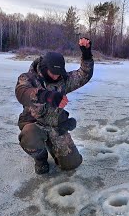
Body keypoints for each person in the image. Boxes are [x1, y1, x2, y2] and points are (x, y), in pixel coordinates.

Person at [15, 38, 94, 174]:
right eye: (53, 72)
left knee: (72, 164)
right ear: (45, 68)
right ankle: (40, 158)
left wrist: (86, 55)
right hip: (35, 125)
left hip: (56, 127)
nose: (57, 76)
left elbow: (83, 75)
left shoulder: (62, 79)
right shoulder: (27, 78)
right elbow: (21, 93)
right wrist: (47, 96)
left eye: (59, 73)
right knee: (29, 136)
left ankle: (53, 145)